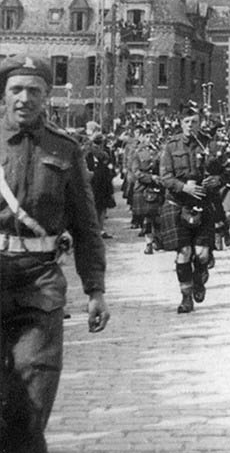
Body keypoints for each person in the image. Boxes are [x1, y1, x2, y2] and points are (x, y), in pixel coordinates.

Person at [0, 54, 110, 453]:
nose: (24, 98)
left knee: (31, 402)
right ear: (4, 94)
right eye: (16, 90)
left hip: (39, 286)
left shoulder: (65, 149)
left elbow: (85, 226)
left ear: (46, 96)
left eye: (34, 91)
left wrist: (95, 289)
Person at [157, 107, 225, 313]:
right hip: (178, 205)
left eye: (194, 121)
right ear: (180, 123)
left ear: (200, 123)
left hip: (204, 205)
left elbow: (228, 169)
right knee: (184, 253)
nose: (190, 125)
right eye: (186, 121)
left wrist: (218, 179)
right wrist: (183, 187)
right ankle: (186, 298)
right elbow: (165, 177)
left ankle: (199, 277)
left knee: (202, 254)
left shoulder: (210, 144)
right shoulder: (170, 147)